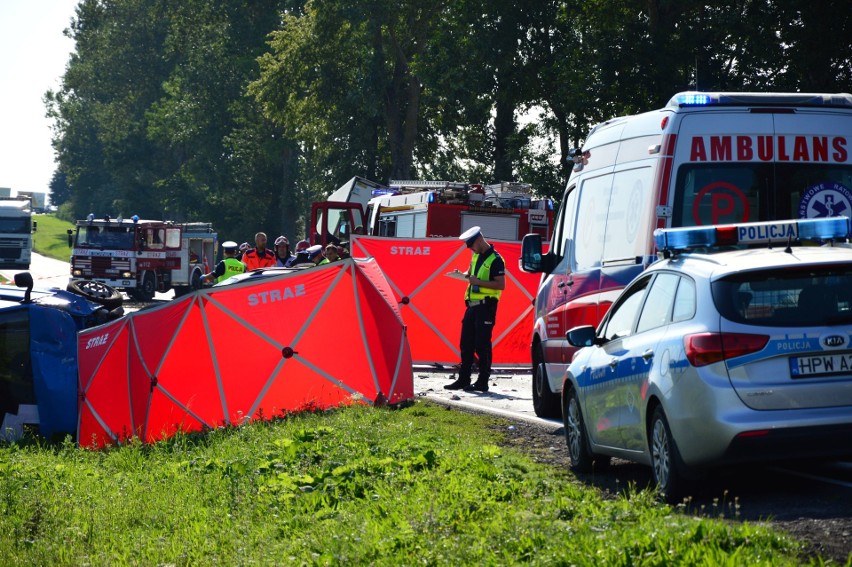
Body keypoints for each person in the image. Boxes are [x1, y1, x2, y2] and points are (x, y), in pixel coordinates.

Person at [444, 226, 505, 393]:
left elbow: (501, 284)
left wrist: (477, 282)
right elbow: (470, 274)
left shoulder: (496, 259)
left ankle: (482, 381)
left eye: (471, 245)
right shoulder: (476, 255)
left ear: (479, 240)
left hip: (486, 306)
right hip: (471, 305)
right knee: (466, 344)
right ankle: (463, 379)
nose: (470, 249)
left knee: (482, 345)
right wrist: (461, 274)